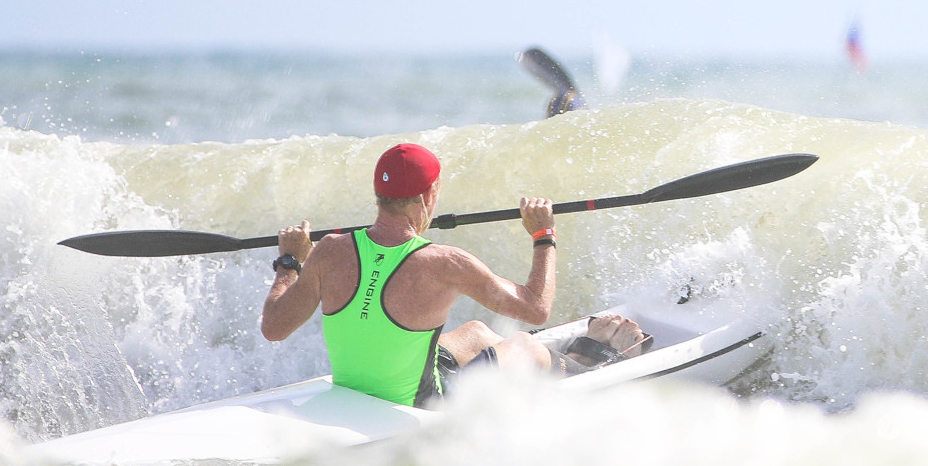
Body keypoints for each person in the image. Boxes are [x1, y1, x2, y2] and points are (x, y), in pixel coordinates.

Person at [258, 142, 647, 407]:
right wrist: (544, 235)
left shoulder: (328, 250)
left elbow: (274, 327)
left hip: (361, 391)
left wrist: (290, 261)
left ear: (379, 195)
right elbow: (536, 308)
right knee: (526, 343)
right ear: (429, 196)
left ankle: (526, 365)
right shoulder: (444, 263)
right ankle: (587, 365)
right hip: (425, 405)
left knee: (477, 331)